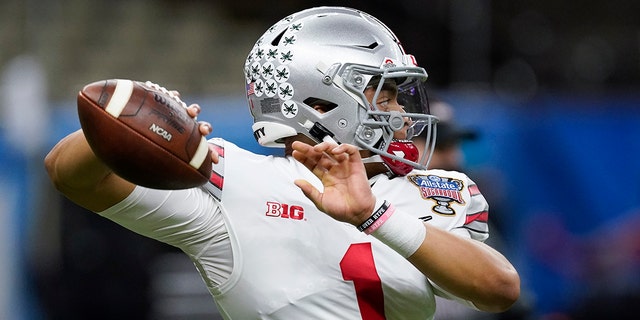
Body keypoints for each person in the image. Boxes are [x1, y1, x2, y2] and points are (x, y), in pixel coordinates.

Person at [45, 6, 519, 319]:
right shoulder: (232, 180)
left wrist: (374, 216)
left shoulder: (434, 189)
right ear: (322, 100)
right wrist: (134, 118)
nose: (400, 111)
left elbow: (498, 289)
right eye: (385, 94)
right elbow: (69, 175)